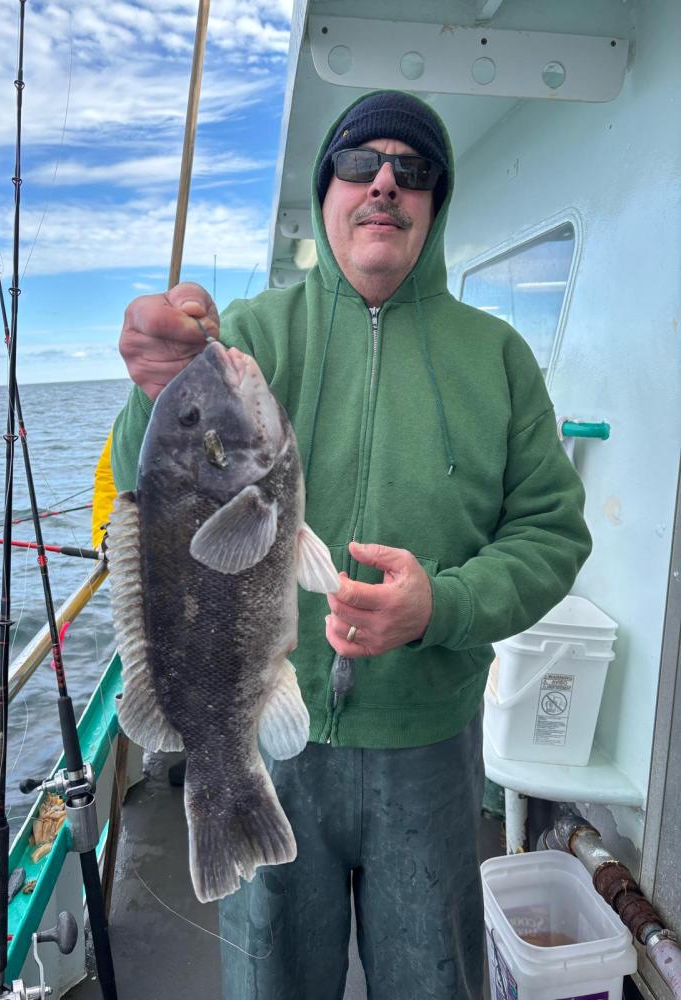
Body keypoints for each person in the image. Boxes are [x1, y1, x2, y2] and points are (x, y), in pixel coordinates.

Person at [109, 91, 592, 999]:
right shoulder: (250, 336)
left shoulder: (498, 357)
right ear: (326, 186)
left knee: (434, 978)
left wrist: (441, 606)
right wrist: (152, 383)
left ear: (434, 204)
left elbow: (551, 533)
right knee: (273, 980)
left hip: (431, 745)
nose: (383, 184)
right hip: (269, 739)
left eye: (411, 171)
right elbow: (158, 480)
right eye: (359, 163)